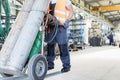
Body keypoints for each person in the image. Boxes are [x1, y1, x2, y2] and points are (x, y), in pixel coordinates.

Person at [46, 0, 73, 73]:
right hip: (50, 27)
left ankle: (66, 65)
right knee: (50, 46)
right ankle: (50, 64)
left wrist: (67, 20)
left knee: (62, 46)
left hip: (60, 27)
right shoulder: (48, 1)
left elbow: (71, 11)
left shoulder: (65, 0)